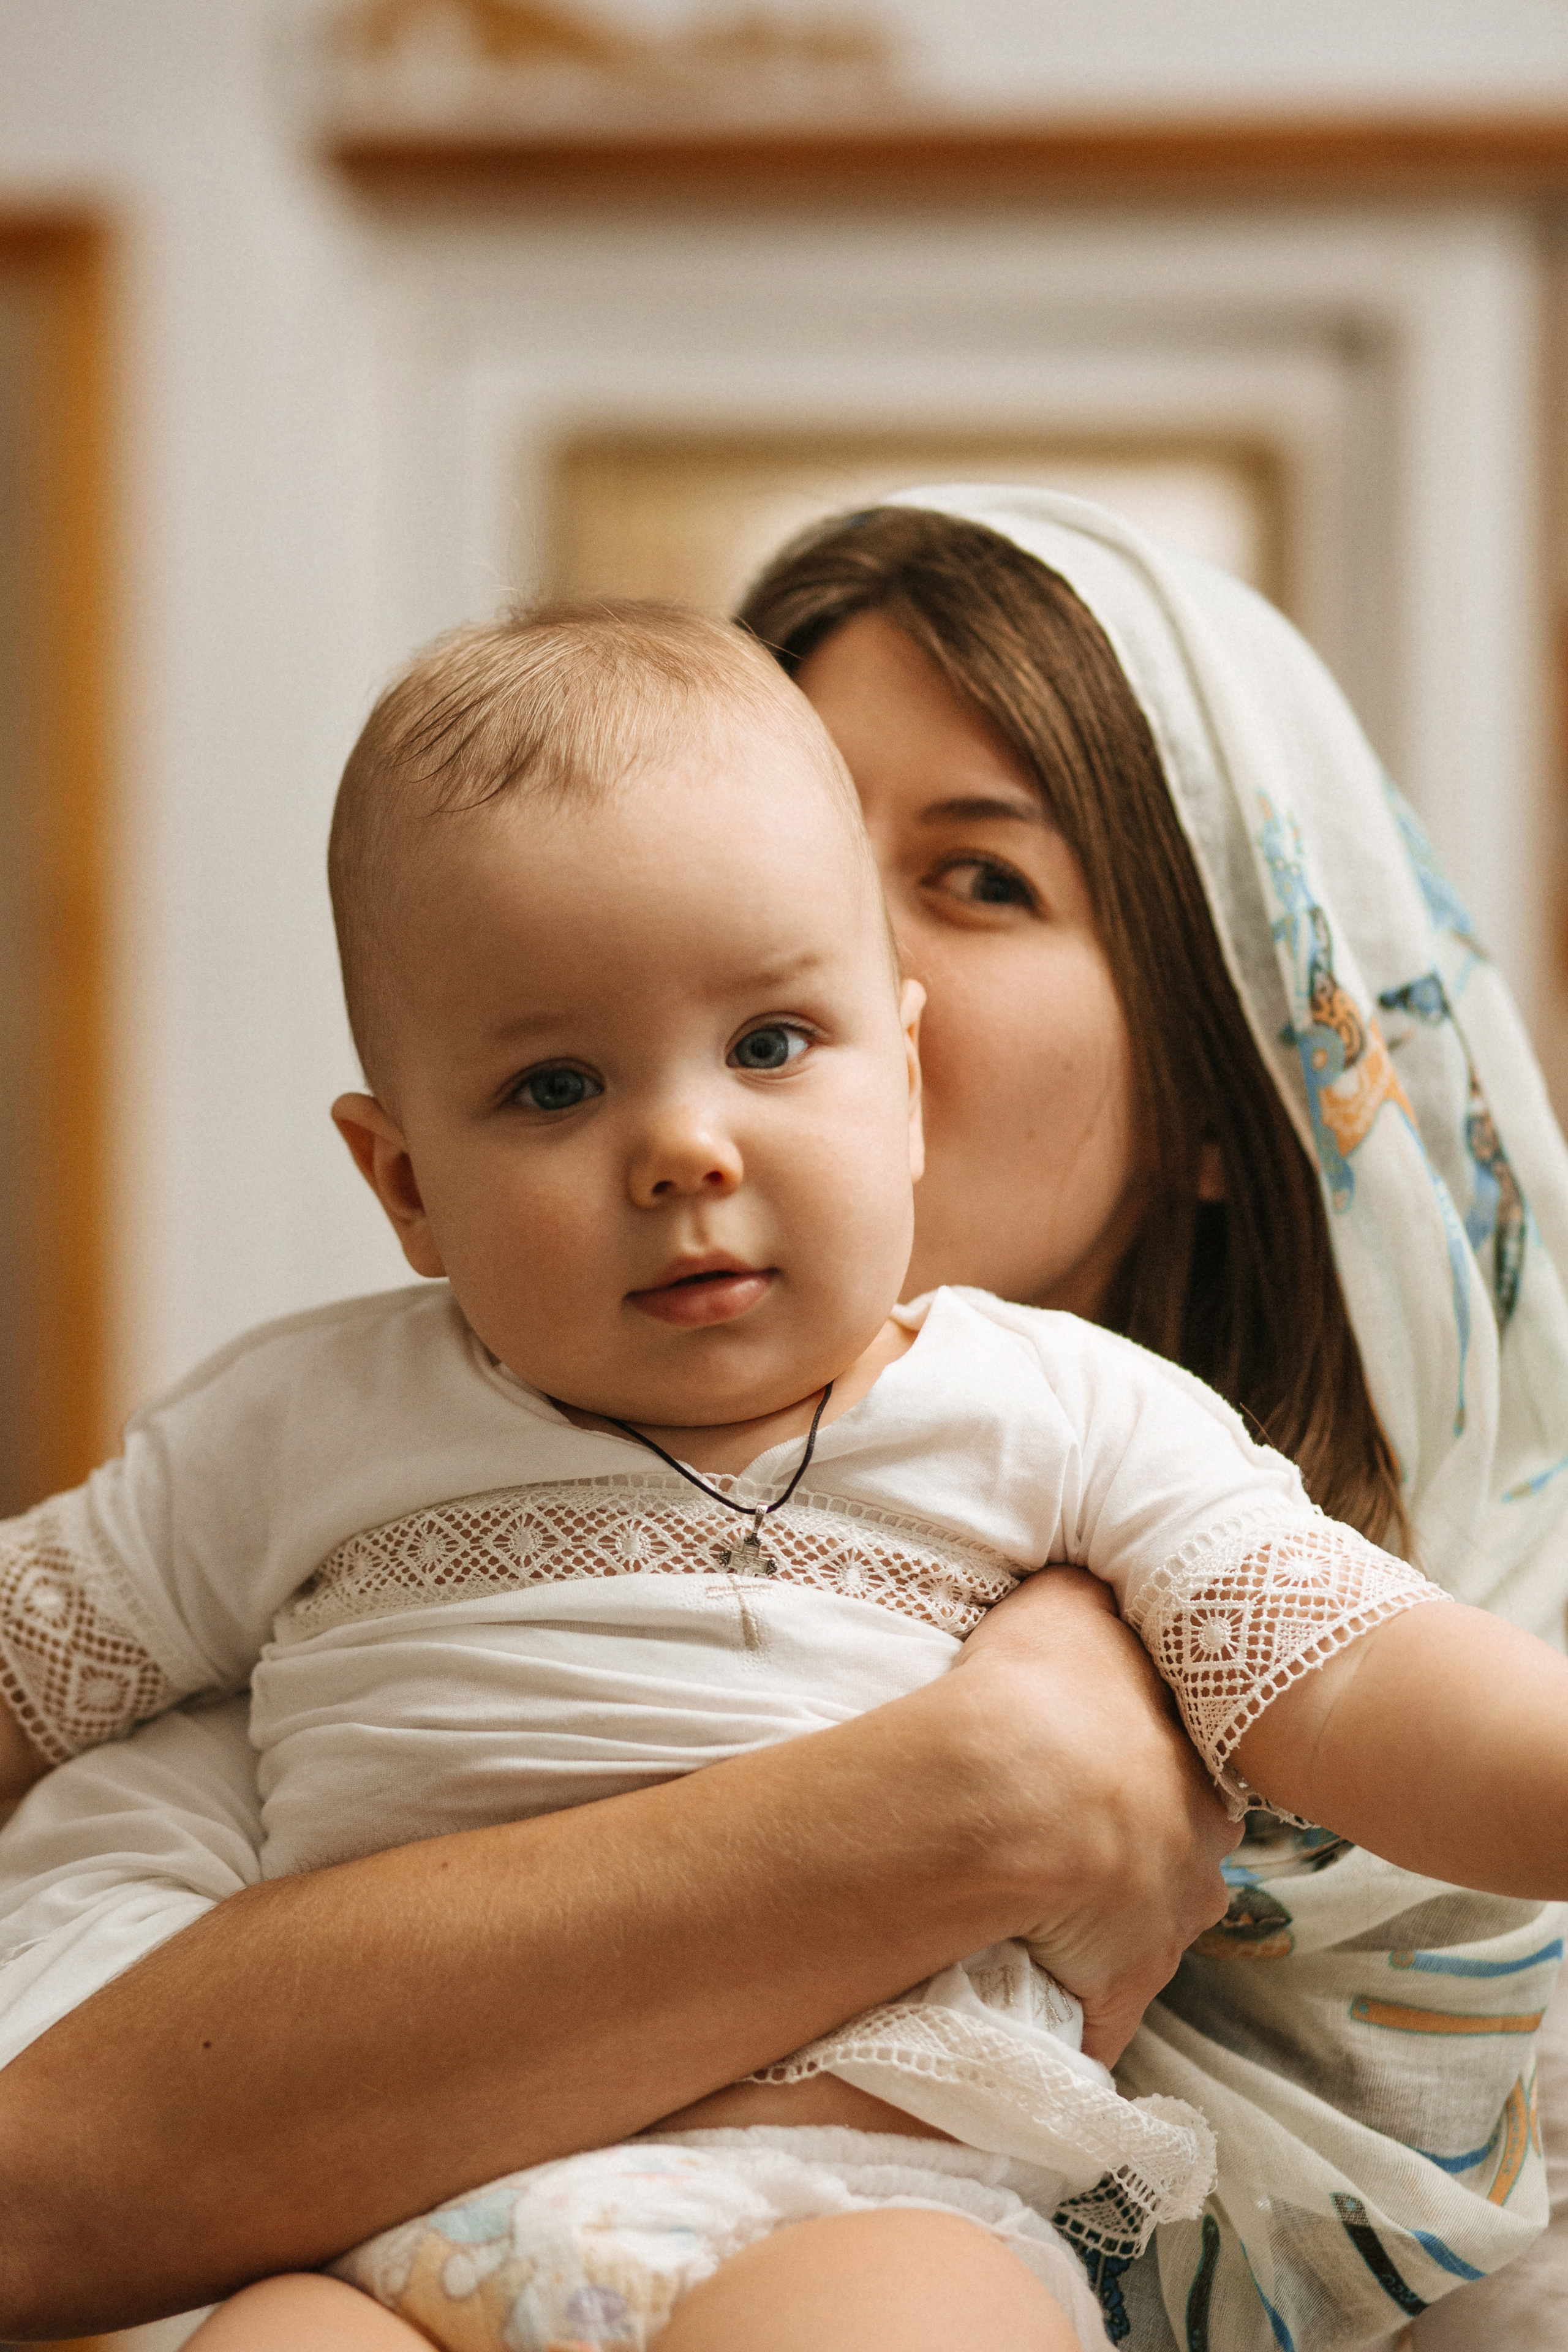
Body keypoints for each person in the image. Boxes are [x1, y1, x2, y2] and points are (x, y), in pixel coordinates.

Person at [0, 488, 1560, 2351]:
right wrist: (976, 1795)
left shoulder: (1074, 1430)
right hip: (379, 2263)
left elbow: (1376, 1687)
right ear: (405, 1178)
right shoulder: (319, 1462)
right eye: (557, 1075)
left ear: (1247, 1085)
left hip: (860, 2208)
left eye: (977, 878)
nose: (687, 1139)